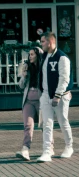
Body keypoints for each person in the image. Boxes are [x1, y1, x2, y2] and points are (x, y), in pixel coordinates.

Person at [36, 31, 73, 162]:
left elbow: (64, 79)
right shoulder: (45, 56)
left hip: (60, 96)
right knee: (47, 124)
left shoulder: (62, 57)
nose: (41, 44)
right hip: (46, 95)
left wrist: (57, 96)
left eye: (43, 41)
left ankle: (69, 146)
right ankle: (47, 151)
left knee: (63, 122)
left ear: (50, 42)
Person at [16, 47, 43, 160]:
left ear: (38, 55)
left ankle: (49, 148)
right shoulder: (27, 67)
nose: (30, 56)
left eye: (32, 54)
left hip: (41, 100)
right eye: (29, 55)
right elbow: (21, 86)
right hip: (28, 100)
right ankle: (25, 149)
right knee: (28, 125)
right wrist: (24, 75)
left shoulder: (43, 68)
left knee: (44, 125)